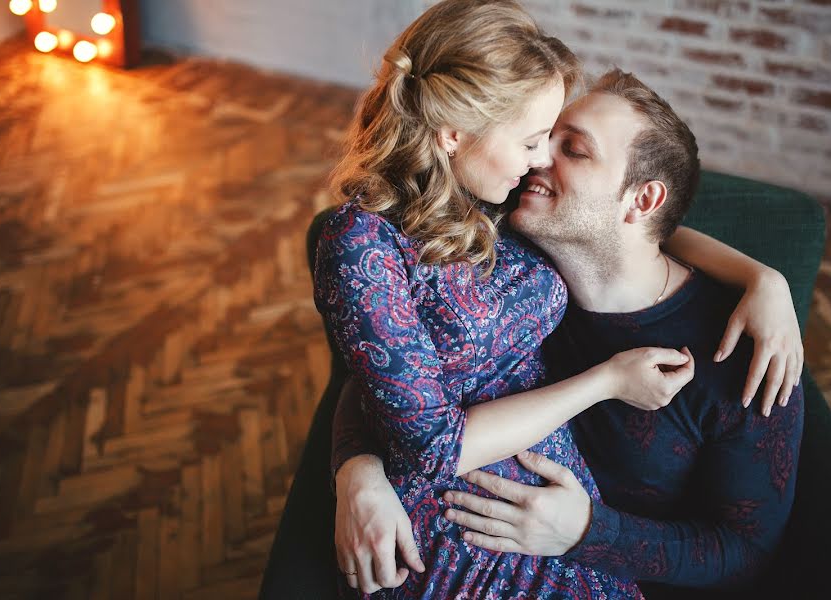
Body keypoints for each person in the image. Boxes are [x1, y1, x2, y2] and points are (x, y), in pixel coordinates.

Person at [318, 1, 803, 597]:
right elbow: (390, 370)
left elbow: (745, 550)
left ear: (641, 202)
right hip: (453, 543)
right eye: (538, 137)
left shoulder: (742, 356)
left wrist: (588, 533)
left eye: (571, 148)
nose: (539, 158)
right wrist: (355, 467)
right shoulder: (507, 223)